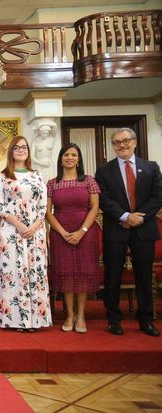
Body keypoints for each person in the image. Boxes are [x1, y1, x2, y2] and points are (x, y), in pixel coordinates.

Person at [95, 128, 162, 337]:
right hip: (116, 229)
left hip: (144, 228)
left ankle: (146, 319)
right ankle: (113, 319)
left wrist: (138, 217)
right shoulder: (104, 170)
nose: (121, 145)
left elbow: (158, 196)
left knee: (143, 275)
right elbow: (103, 199)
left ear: (134, 142)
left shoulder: (150, 167)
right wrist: (124, 216)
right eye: (116, 142)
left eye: (125, 141)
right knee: (112, 275)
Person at [0, 136, 51, 331]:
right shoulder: (3, 176)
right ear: (11, 151)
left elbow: (43, 205)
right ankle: (16, 320)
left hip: (35, 231)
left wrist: (35, 225)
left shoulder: (38, 175)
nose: (20, 150)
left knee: (35, 271)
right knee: (14, 273)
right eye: (16, 147)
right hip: (11, 231)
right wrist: (18, 224)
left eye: (24, 147)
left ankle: (37, 319)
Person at [46, 143, 101, 334]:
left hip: (85, 233)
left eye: (74, 155)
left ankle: (81, 315)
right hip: (60, 233)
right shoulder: (52, 183)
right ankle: (69, 314)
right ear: (60, 159)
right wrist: (62, 232)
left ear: (79, 159)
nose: (70, 158)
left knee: (83, 273)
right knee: (66, 273)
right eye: (66, 155)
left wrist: (82, 230)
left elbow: (95, 207)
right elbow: (47, 212)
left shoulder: (89, 180)